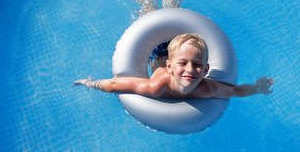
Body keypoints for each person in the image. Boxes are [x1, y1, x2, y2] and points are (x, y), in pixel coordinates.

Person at [74, 33, 274, 98]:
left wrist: (258, 88)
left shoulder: (206, 88)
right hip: (159, 54)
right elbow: (116, 85)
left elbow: (236, 91)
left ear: (206, 70)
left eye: (197, 65)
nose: (189, 69)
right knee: (149, 9)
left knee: (172, 5)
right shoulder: (155, 86)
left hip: (176, 52)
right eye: (183, 64)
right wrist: (91, 83)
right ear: (170, 68)